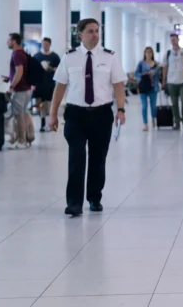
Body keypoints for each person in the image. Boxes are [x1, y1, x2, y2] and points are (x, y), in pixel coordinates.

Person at [49, 19, 127, 217]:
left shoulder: (110, 57)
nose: (95, 35)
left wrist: (121, 109)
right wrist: (52, 114)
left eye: (97, 31)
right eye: (90, 31)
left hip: (101, 114)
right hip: (76, 114)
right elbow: (60, 87)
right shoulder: (70, 57)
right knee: (76, 157)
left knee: (97, 158)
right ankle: (74, 203)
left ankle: (94, 198)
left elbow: (118, 84)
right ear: (80, 34)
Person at [4, 33, 34, 149]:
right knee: (22, 113)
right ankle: (23, 139)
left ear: (14, 41)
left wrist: (12, 86)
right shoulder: (23, 53)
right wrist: (9, 78)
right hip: (26, 88)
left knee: (19, 115)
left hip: (20, 89)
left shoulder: (17, 54)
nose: (7, 42)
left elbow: (19, 72)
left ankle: (21, 141)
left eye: (8, 40)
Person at [162, 34, 183, 130]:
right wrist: (163, 81)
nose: (173, 41)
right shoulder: (168, 53)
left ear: (178, 40)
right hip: (172, 82)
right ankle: (176, 122)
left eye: (174, 39)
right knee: (174, 103)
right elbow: (165, 68)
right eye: (171, 40)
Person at [33, 37, 60, 133]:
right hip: (39, 84)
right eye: (43, 44)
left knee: (49, 104)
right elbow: (33, 70)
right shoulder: (37, 56)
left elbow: (59, 69)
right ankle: (42, 123)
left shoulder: (55, 57)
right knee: (40, 105)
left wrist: (51, 69)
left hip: (49, 84)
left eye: (46, 44)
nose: (45, 46)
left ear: (50, 44)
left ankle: (49, 123)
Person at [134, 47, 161, 132]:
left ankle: (153, 119)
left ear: (152, 53)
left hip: (153, 88)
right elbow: (136, 74)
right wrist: (144, 74)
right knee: (144, 106)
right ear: (144, 53)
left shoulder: (156, 64)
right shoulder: (141, 63)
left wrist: (153, 73)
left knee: (153, 106)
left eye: (150, 52)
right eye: (147, 52)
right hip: (143, 88)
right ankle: (145, 124)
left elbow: (159, 75)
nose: (148, 54)